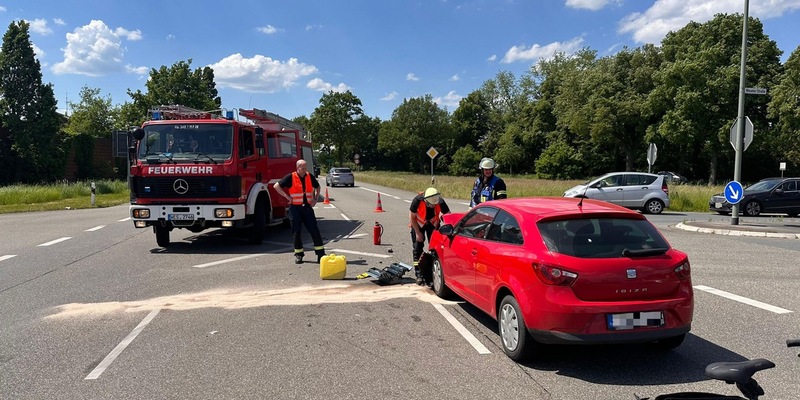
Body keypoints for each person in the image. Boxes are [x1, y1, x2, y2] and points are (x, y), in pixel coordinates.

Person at [273, 159, 326, 264]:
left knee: (314, 230)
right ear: (297, 168)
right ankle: (299, 254)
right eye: (302, 168)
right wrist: (287, 197)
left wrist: (315, 198)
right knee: (296, 232)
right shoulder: (290, 177)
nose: (304, 170)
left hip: (307, 208)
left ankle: (321, 254)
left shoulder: (309, 176)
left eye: (305, 168)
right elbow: (276, 186)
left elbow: (317, 187)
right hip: (295, 208)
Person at [409, 187, 450, 285]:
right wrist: (418, 233)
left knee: (436, 248)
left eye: (434, 205)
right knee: (417, 248)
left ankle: (433, 271)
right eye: (430, 204)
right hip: (418, 224)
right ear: (425, 200)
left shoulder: (440, 201)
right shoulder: (417, 200)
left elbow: (448, 215)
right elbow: (412, 217)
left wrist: (447, 225)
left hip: (433, 224)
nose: (432, 206)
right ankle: (418, 273)